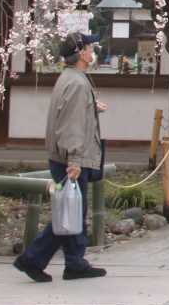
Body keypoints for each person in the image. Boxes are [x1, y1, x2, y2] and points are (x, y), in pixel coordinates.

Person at [14, 31, 108, 282]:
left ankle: (75, 262)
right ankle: (32, 259)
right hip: (70, 158)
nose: (92, 52)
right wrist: (75, 160)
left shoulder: (70, 78)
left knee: (72, 210)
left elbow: (72, 115)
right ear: (81, 53)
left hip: (62, 155)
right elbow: (72, 125)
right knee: (68, 211)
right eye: (89, 48)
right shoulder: (77, 83)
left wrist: (91, 107)